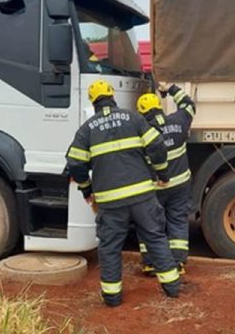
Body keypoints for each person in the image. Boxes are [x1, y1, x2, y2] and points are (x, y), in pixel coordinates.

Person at [65, 79, 181, 307]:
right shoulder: (134, 118)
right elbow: (157, 146)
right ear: (112, 95)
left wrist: (87, 190)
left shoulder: (86, 129)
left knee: (110, 248)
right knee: (155, 238)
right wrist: (162, 174)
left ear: (93, 101)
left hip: (111, 203)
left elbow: (75, 163)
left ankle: (112, 297)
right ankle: (172, 289)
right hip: (143, 197)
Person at [136, 83, 196, 276]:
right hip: (180, 185)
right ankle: (178, 263)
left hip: (156, 186)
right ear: (160, 107)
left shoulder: (143, 133)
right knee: (178, 220)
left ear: (142, 113)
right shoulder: (179, 121)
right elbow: (188, 105)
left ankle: (150, 263)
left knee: (150, 223)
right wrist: (171, 88)